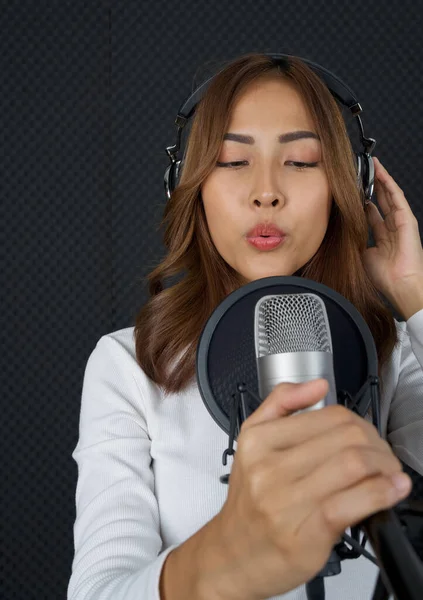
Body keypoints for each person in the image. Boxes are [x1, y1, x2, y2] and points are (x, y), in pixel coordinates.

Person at [67, 53, 423, 600]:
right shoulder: (129, 365)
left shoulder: (390, 355)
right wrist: (228, 553)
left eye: (301, 161)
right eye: (233, 161)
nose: (266, 192)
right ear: (189, 185)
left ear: (347, 186)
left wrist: (414, 296)